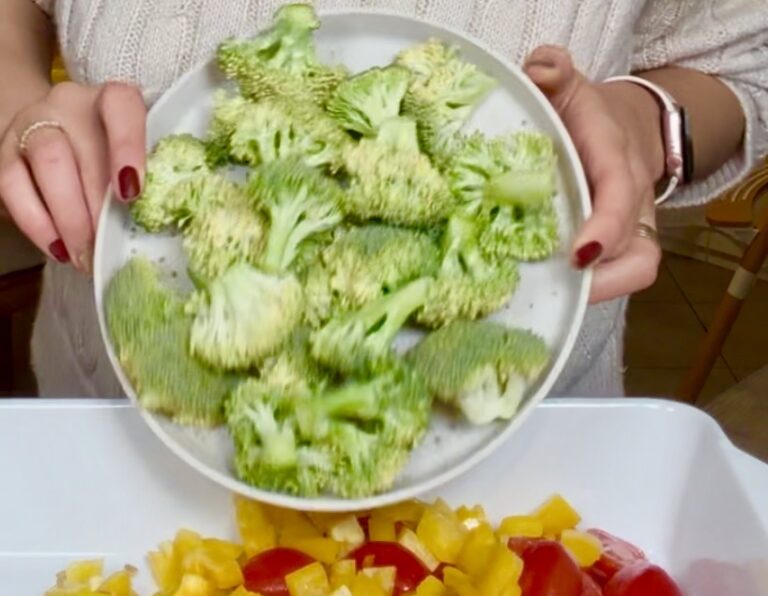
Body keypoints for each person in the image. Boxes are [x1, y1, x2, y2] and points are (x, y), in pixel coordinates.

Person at [0, 0, 766, 399]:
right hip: (115, 399)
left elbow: (741, 54)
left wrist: (641, 121)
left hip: (521, 431)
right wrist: (19, 103)